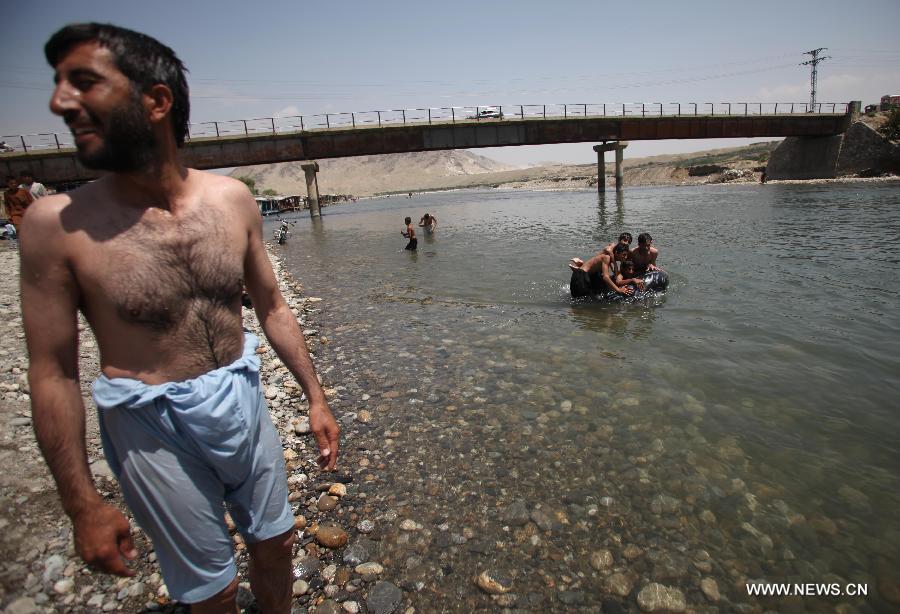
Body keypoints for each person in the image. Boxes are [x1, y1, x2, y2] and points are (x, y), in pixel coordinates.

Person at [21, 23, 339, 613]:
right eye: (59, 83)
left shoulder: (231, 201)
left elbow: (270, 305)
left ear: (156, 101)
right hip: (150, 423)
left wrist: (315, 398)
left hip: (242, 396)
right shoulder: (54, 225)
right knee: (211, 590)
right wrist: (82, 503)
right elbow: (52, 373)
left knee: (278, 544)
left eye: (83, 83)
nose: (59, 102)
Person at [568, 243, 633, 298]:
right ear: (616, 253)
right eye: (624, 255)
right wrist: (618, 290)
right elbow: (606, 277)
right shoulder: (607, 257)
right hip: (581, 276)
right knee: (580, 303)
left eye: (626, 255)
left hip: (586, 276)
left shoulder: (610, 259)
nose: (625, 257)